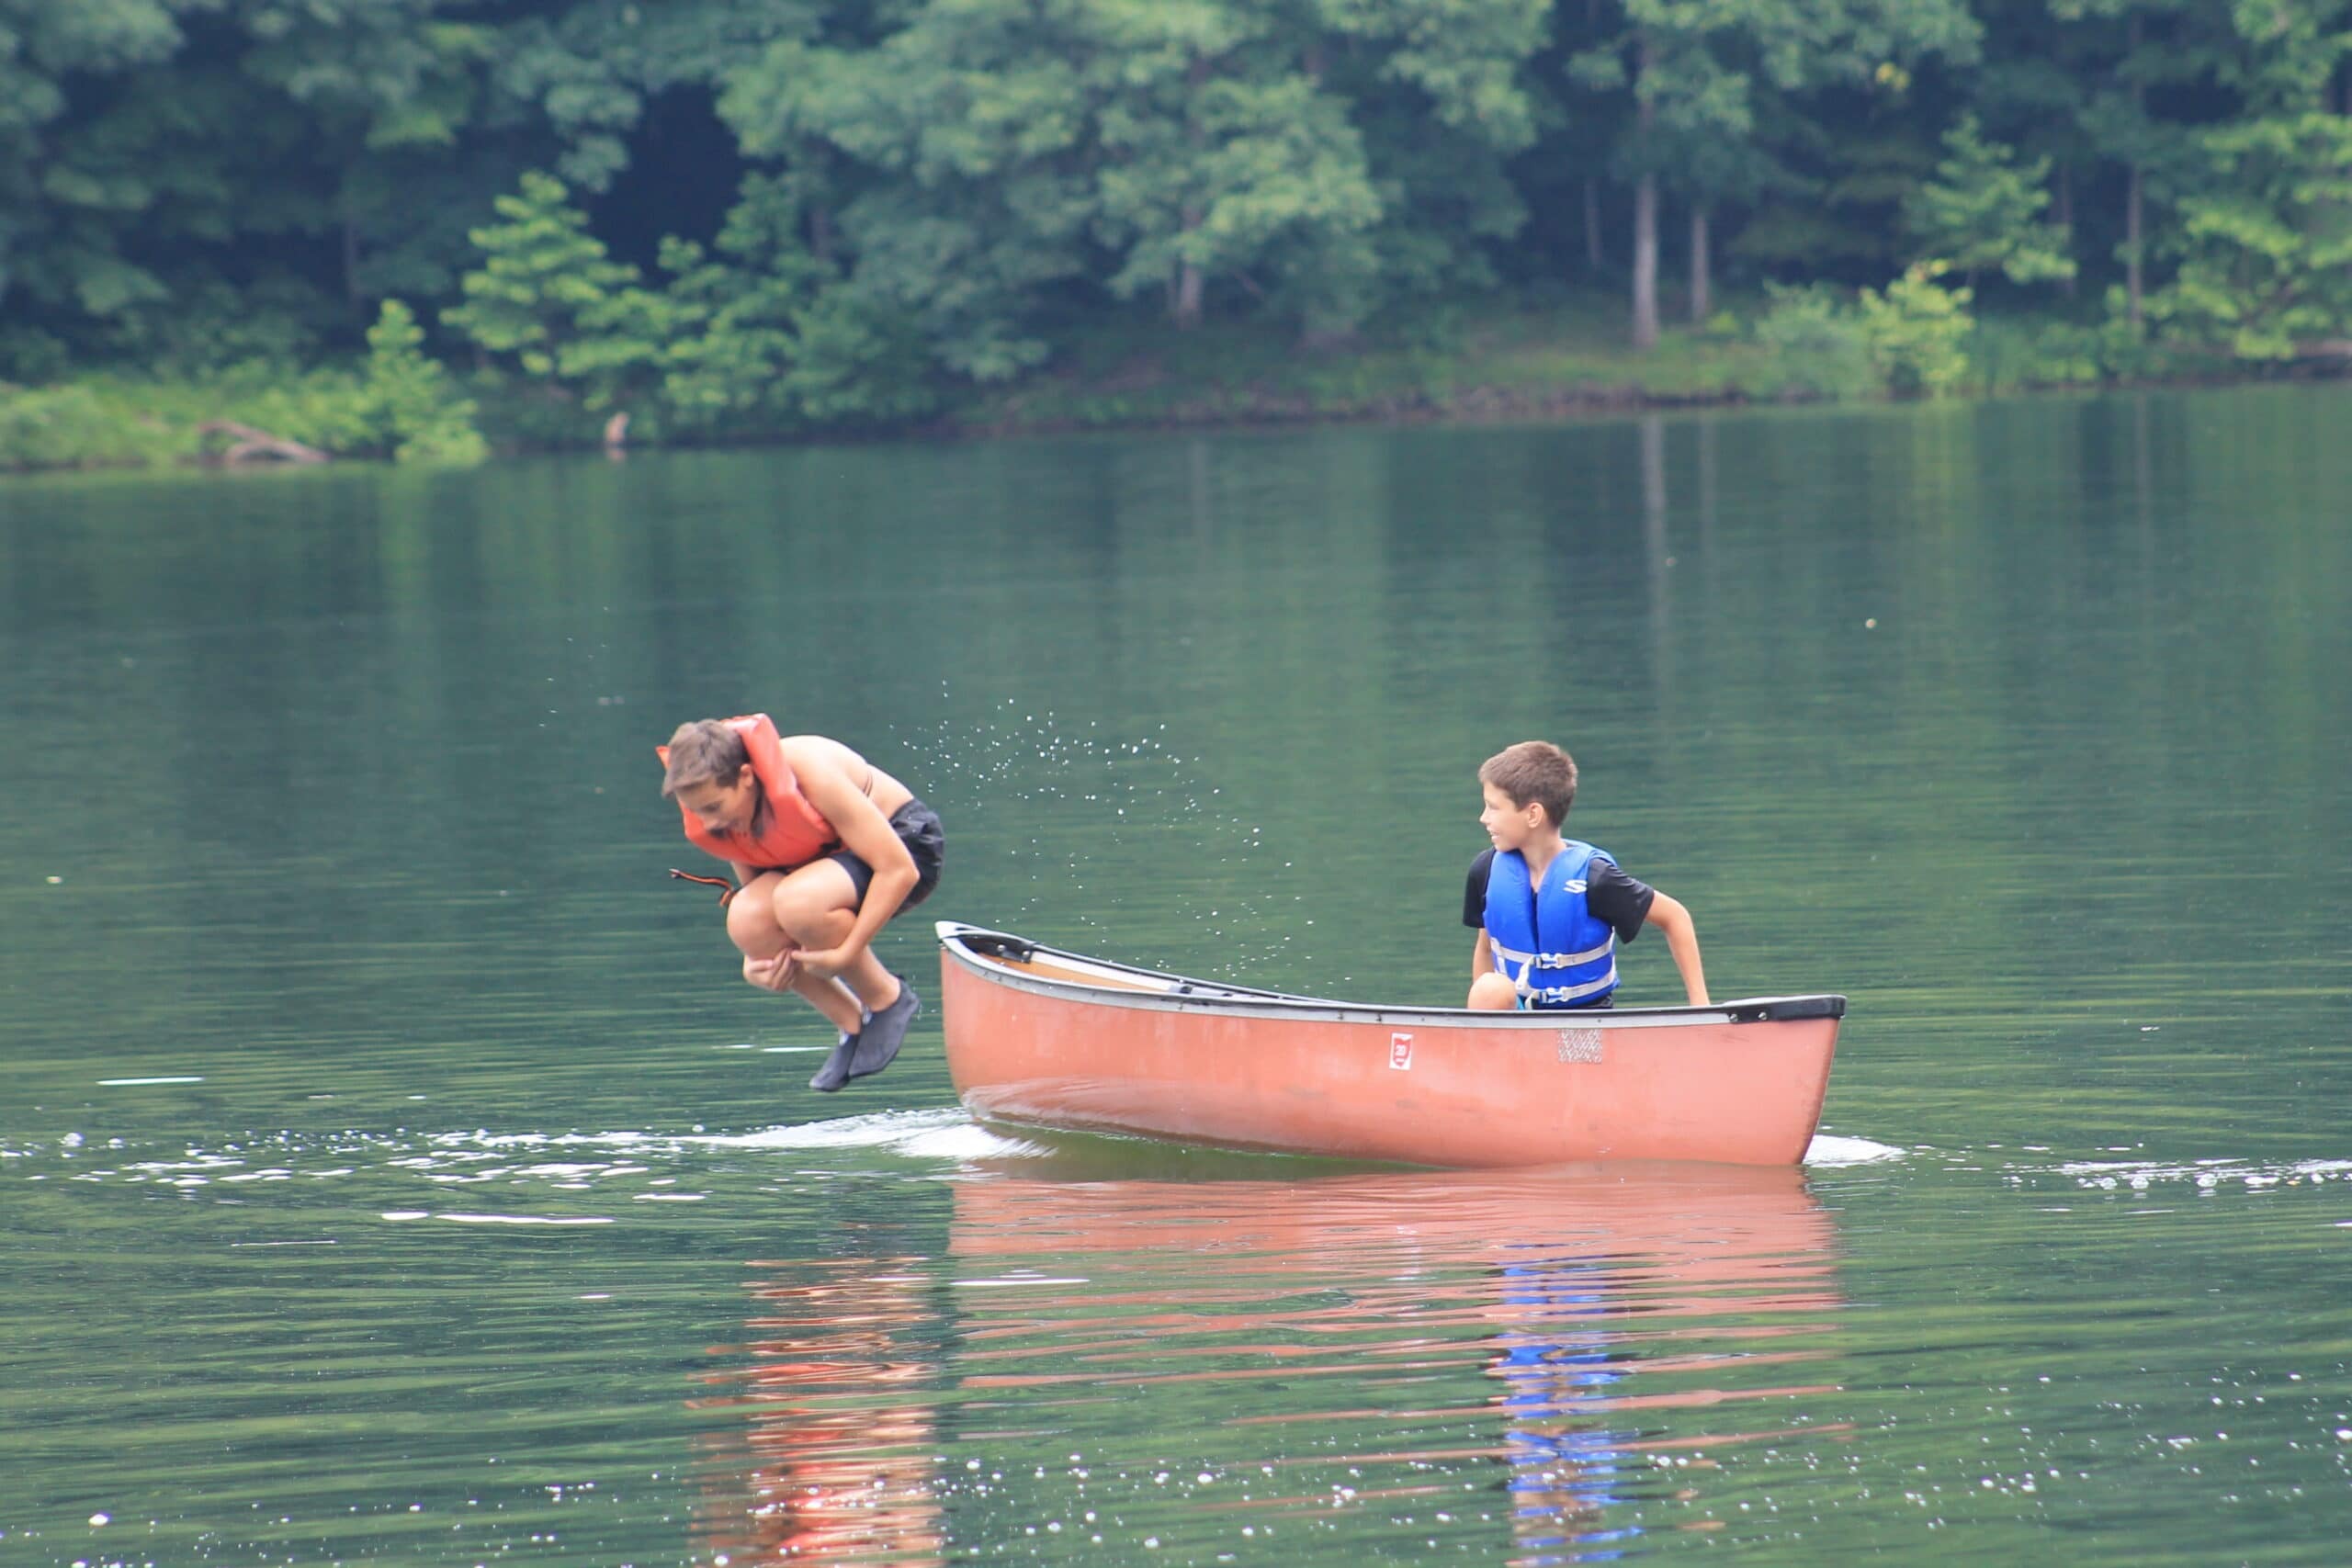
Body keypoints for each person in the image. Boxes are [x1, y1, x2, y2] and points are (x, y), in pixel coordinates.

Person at [660, 714, 944, 1091]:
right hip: (823, 873)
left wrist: (848, 953)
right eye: (696, 812)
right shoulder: (728, 819)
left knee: (799, 902)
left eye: (713, 807)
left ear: (746, 777)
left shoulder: (807, 772)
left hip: (904, 848)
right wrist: (755, 963)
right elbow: (758, 894)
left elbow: (898, 870)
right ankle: (851, 1024)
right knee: (746, 919)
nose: (708, 823)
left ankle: (887, 998)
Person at [1463, 740, 1708, 1011]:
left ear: (1533, 814)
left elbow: (1675, 917)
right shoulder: (1485, 871)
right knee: (1490, 988)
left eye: (1493, 808)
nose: (1483, 818)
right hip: (1520, 1020)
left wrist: (1700, 1007)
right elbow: (1486, 948)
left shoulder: (1595, 878)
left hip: (1589, 1024)